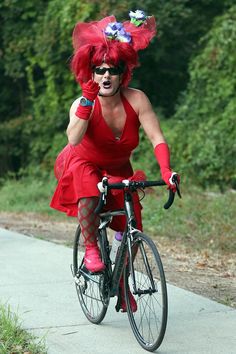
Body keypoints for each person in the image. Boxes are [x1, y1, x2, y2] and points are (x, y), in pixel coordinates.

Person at [50, 10, 179, 312]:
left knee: (133, 224)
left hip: (120, 168)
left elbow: (157, 138)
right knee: (89, 189)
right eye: (99, 69)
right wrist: (86, 102)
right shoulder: (83, 102)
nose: (106, 75)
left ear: (124, 73)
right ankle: (92, 248)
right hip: (82, 162)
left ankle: (121, 281)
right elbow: (73, 139)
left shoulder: (137, 99)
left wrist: (167, 170)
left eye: (113, 69)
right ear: (91, 73)